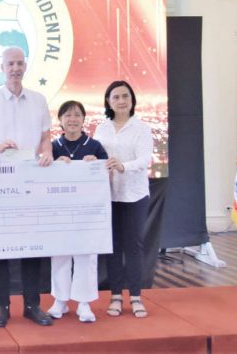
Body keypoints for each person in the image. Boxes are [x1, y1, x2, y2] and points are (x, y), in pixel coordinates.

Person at [0, 47, 54, 328]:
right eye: (11, 64)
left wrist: (47, 152)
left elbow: (46, 137)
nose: (15, 68)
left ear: (25, 66)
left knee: (33, 247)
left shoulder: (39, 100)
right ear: (2, 67)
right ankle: (1, 306)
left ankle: (32, 304)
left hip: (31, 186)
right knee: (0, 249)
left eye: (20, 63)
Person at [93, 80, 153, 319]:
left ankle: (136, 296)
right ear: (108, 101)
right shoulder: (101, 128)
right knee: (113, 247)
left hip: (135, 195)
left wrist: (122, 166)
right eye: (115, 97)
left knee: (135, 246)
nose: (120, 101)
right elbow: (97, 157)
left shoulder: (142, 128)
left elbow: (144, 160)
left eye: (124, 96)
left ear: (132, 100)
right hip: (109, 195)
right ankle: (116, 295)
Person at [46, 100, 108, 323]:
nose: (72, 119)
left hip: (87, 213)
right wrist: (54, 165)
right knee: (60, 254)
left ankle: (84, 303)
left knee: (86, 256)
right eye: (67, 115)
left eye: (77, 115)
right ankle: (60, 300)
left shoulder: (95, 146)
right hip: (59, 213)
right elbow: (41, 178)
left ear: (83, 119)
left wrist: (96, 165)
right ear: (60, 120)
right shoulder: (53, 147)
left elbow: (107, 176)